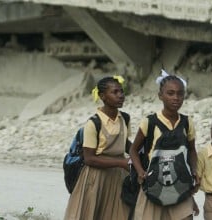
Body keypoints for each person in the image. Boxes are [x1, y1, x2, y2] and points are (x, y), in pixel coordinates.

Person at [129, 70, 199, 220]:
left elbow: (192, 150)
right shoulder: (150, 122)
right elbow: (133, 150)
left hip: (180, 184)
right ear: (160, 96)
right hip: (154, 184)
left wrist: (194, 171)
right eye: (170, 93)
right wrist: (141, 172)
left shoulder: (187, 122)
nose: (176, 98)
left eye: (180, 94)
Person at [64, 76, 131, 220]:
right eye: (115, 92)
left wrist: (142, 155)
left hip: (118, 177)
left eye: (121, 91)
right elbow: (89, 159)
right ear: (102, 96)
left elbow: (124, 143)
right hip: (96, 178)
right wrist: (122, 163)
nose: (120, 95)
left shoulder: (124, 118)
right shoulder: (94, 123)